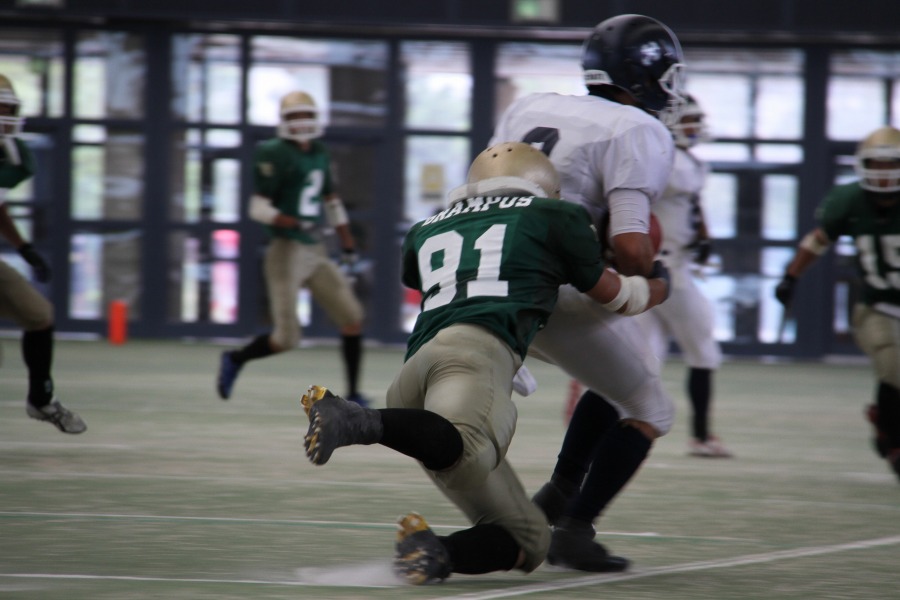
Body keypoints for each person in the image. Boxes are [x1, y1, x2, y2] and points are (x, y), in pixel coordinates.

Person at [298, 142, 671, 584]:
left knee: (530, 538)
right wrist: (658, 283)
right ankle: (355, 420)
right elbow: (620, 297)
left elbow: (427, 273)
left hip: (417, 374)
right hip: (473, 357)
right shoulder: (556, 217)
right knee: (470, 451)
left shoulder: (426, 228)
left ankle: (434, 554)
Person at [489, 13, 685, 571]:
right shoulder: (638, 129)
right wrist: (655, 274)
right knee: (651, 409)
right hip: (561, 290)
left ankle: (558, 494)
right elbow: (630, 248)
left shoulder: (529, 107)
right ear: (647, 76)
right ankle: (575, 529)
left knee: (625, 373)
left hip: (493, 284)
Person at [216, 91, 368, 406]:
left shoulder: (319, 151)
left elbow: (331, 200)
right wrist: (293, 222)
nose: (301, 122)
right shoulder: (273, 152)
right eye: (294, 116)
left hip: (314, 249)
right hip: (285, 249)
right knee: (286, 338)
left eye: (305, 115)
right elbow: (258, 208)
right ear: (283, 120)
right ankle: (235, 358)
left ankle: (354, 393)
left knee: (352, 317)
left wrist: (347, 239)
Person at [775, 125, 900, 482]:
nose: (883, 173)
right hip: (877, 305)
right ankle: (895, 442)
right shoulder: (849, 199)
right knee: (893, 363)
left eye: (890, 164)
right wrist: (791, 277)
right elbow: (818, 240)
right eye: (876, 164)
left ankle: (885, 420)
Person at [633, 94, 732, 458]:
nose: (694, 127)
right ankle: (701, 436)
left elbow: (691, 204)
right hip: (671, 270)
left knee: (645, 359)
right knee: (704, 351)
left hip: (656, 269)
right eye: (688, 120)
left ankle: (629, 424)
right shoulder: (671, 161)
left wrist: (702, 237)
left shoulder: (680, 160)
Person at [0, 73, 86, 434]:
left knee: (39, 315)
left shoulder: (8, 155)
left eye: (8, 108)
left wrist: (25, 248)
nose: (5, 116)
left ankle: (40, 399)